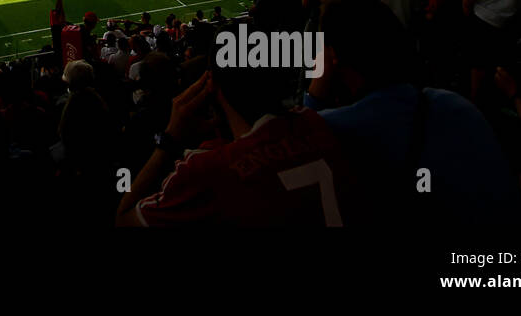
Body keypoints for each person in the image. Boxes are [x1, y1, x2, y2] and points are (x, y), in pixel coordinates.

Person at [306, 0, 521, 225]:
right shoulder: (452, 104)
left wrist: (315, 93)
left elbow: (300, 143)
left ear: (333, 58)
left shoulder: (334, 128)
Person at [117, 50, 356, 226]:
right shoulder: (321, 123)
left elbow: (123, 220)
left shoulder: (204, 169)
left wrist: (169, 141)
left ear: (212, 89)